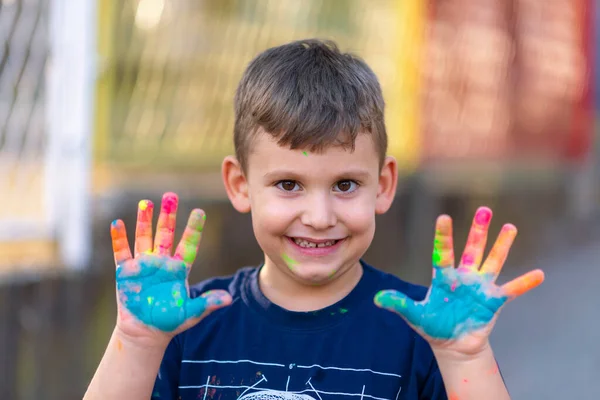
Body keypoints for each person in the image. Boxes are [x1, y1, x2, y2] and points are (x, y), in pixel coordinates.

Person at [84, 39, 545, 400]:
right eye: (288, 184)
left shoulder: (425, 331)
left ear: (383, 185)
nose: (320, 218)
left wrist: (466, 358)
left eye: (345, 185)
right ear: (240, 185)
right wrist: (139, 342)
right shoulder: (185, 326)